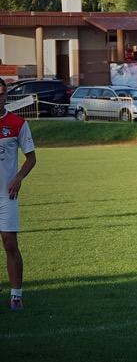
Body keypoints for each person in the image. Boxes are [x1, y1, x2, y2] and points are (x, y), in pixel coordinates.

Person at [0, 78, 37, 310]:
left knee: (9, 242)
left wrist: (19, 177)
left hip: (7, 195)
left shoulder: (17, 123)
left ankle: (16, 296)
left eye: (2, 93)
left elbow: (31, 158)